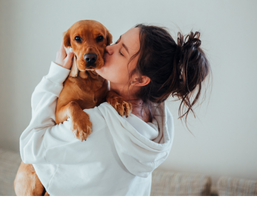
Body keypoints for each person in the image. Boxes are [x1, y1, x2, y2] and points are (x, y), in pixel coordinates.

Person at [19, 24, 211, 197]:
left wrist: (55, 75)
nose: (108, 49)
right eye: (117, 41)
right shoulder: (159, 121)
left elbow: (29, 147)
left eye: (121, 52)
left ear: (140, 80)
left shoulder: (98, 124)